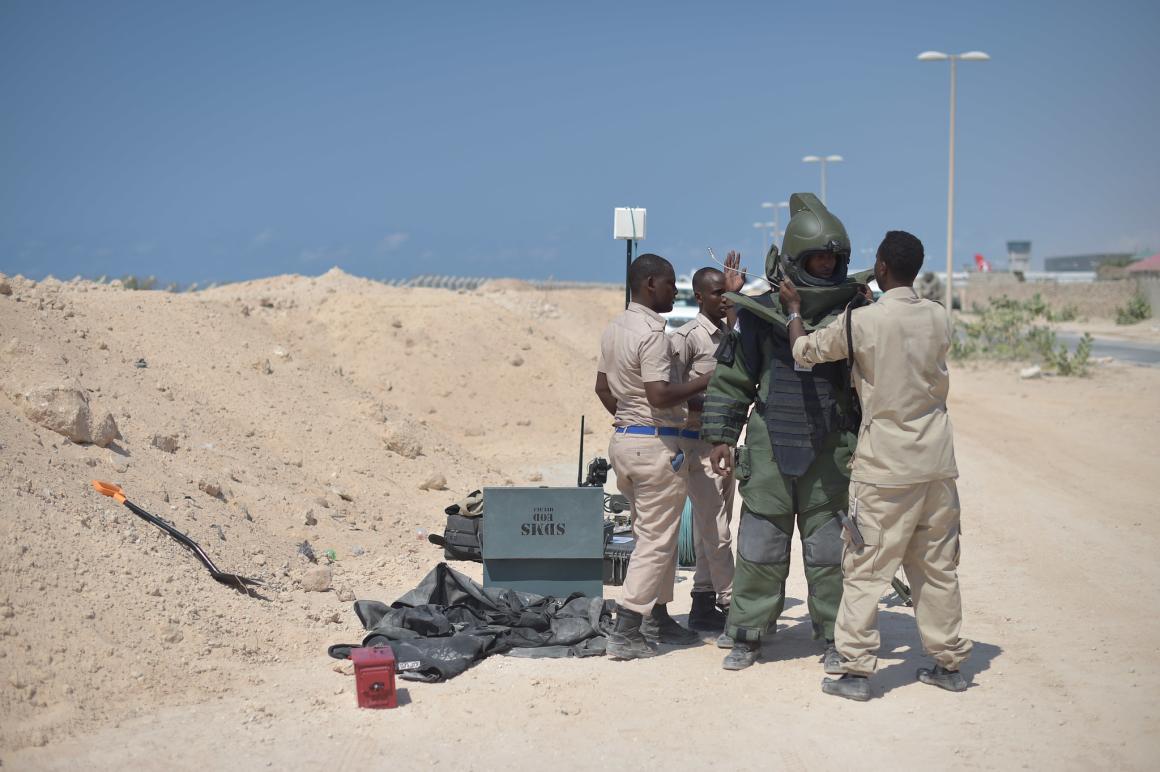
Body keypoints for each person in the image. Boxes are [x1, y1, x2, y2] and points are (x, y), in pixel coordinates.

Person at [782, 229, 972, 701]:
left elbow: (805, 352)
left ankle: (855, 672)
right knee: (937, 568)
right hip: (937, 464)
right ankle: (948, 664)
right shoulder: (939, 316)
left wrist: (794, 312)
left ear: (881, 267)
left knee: (865, 568)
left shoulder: (861, 321)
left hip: (885, 466)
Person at [702, 193, 867, 672]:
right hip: (769, 449)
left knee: (830, 553)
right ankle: (748, 633)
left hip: (831, 453)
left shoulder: (855, 314)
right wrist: (721, 437)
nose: (827, 265)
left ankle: (837, 635)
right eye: (817, 258)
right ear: (795, 260)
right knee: (760, 549)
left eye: (833, 259)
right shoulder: (758, 316)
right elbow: (732, 379)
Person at [595, 253, 711, 660]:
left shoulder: (614, 329)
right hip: (655, 446)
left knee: (650, 534)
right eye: (670, 283)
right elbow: (659, 394)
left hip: (625, 443)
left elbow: (602, 388)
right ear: (650, 284)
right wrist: (705, 380)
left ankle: (656, 618)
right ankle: (627, 628)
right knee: (656, 542)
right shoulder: (653, 334)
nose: (675, 291)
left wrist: (631, 419)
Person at [671, 257, 744, 631]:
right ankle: (732, 603)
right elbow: (671, 394)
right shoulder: (687, 339)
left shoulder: (730, 334)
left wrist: (737, 297)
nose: (723, 299)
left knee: (711, 528)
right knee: (716, 529)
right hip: (696, 444)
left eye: (726, 293)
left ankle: (703, 601)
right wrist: (713, 403)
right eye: (718, 293)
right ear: (699, 297)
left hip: (723, 443)